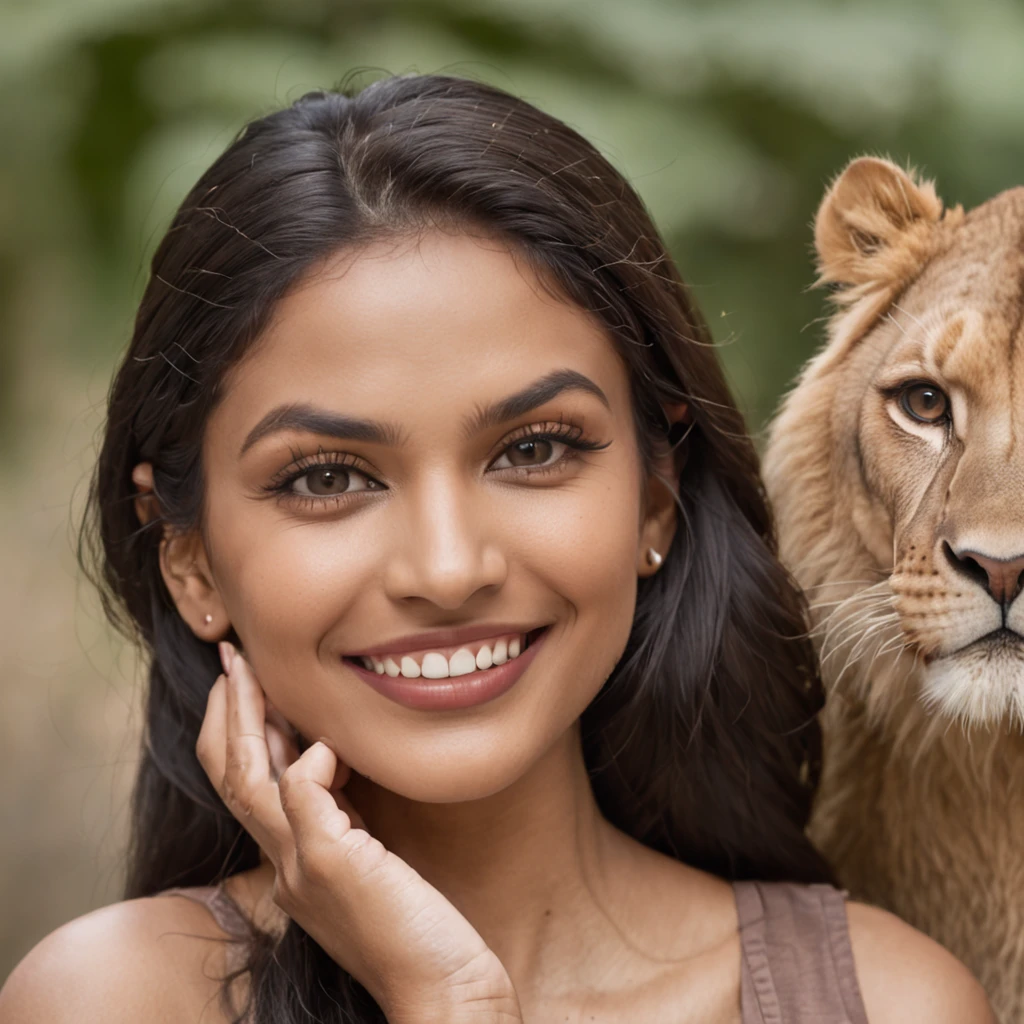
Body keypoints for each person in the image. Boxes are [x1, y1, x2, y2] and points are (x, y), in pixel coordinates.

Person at [0, 75, 993, 1024]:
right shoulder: (108, 997)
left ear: (656, 496)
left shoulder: (889, 998)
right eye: (327, 477)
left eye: (532, 449)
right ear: (189, 559)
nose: (447, 567)